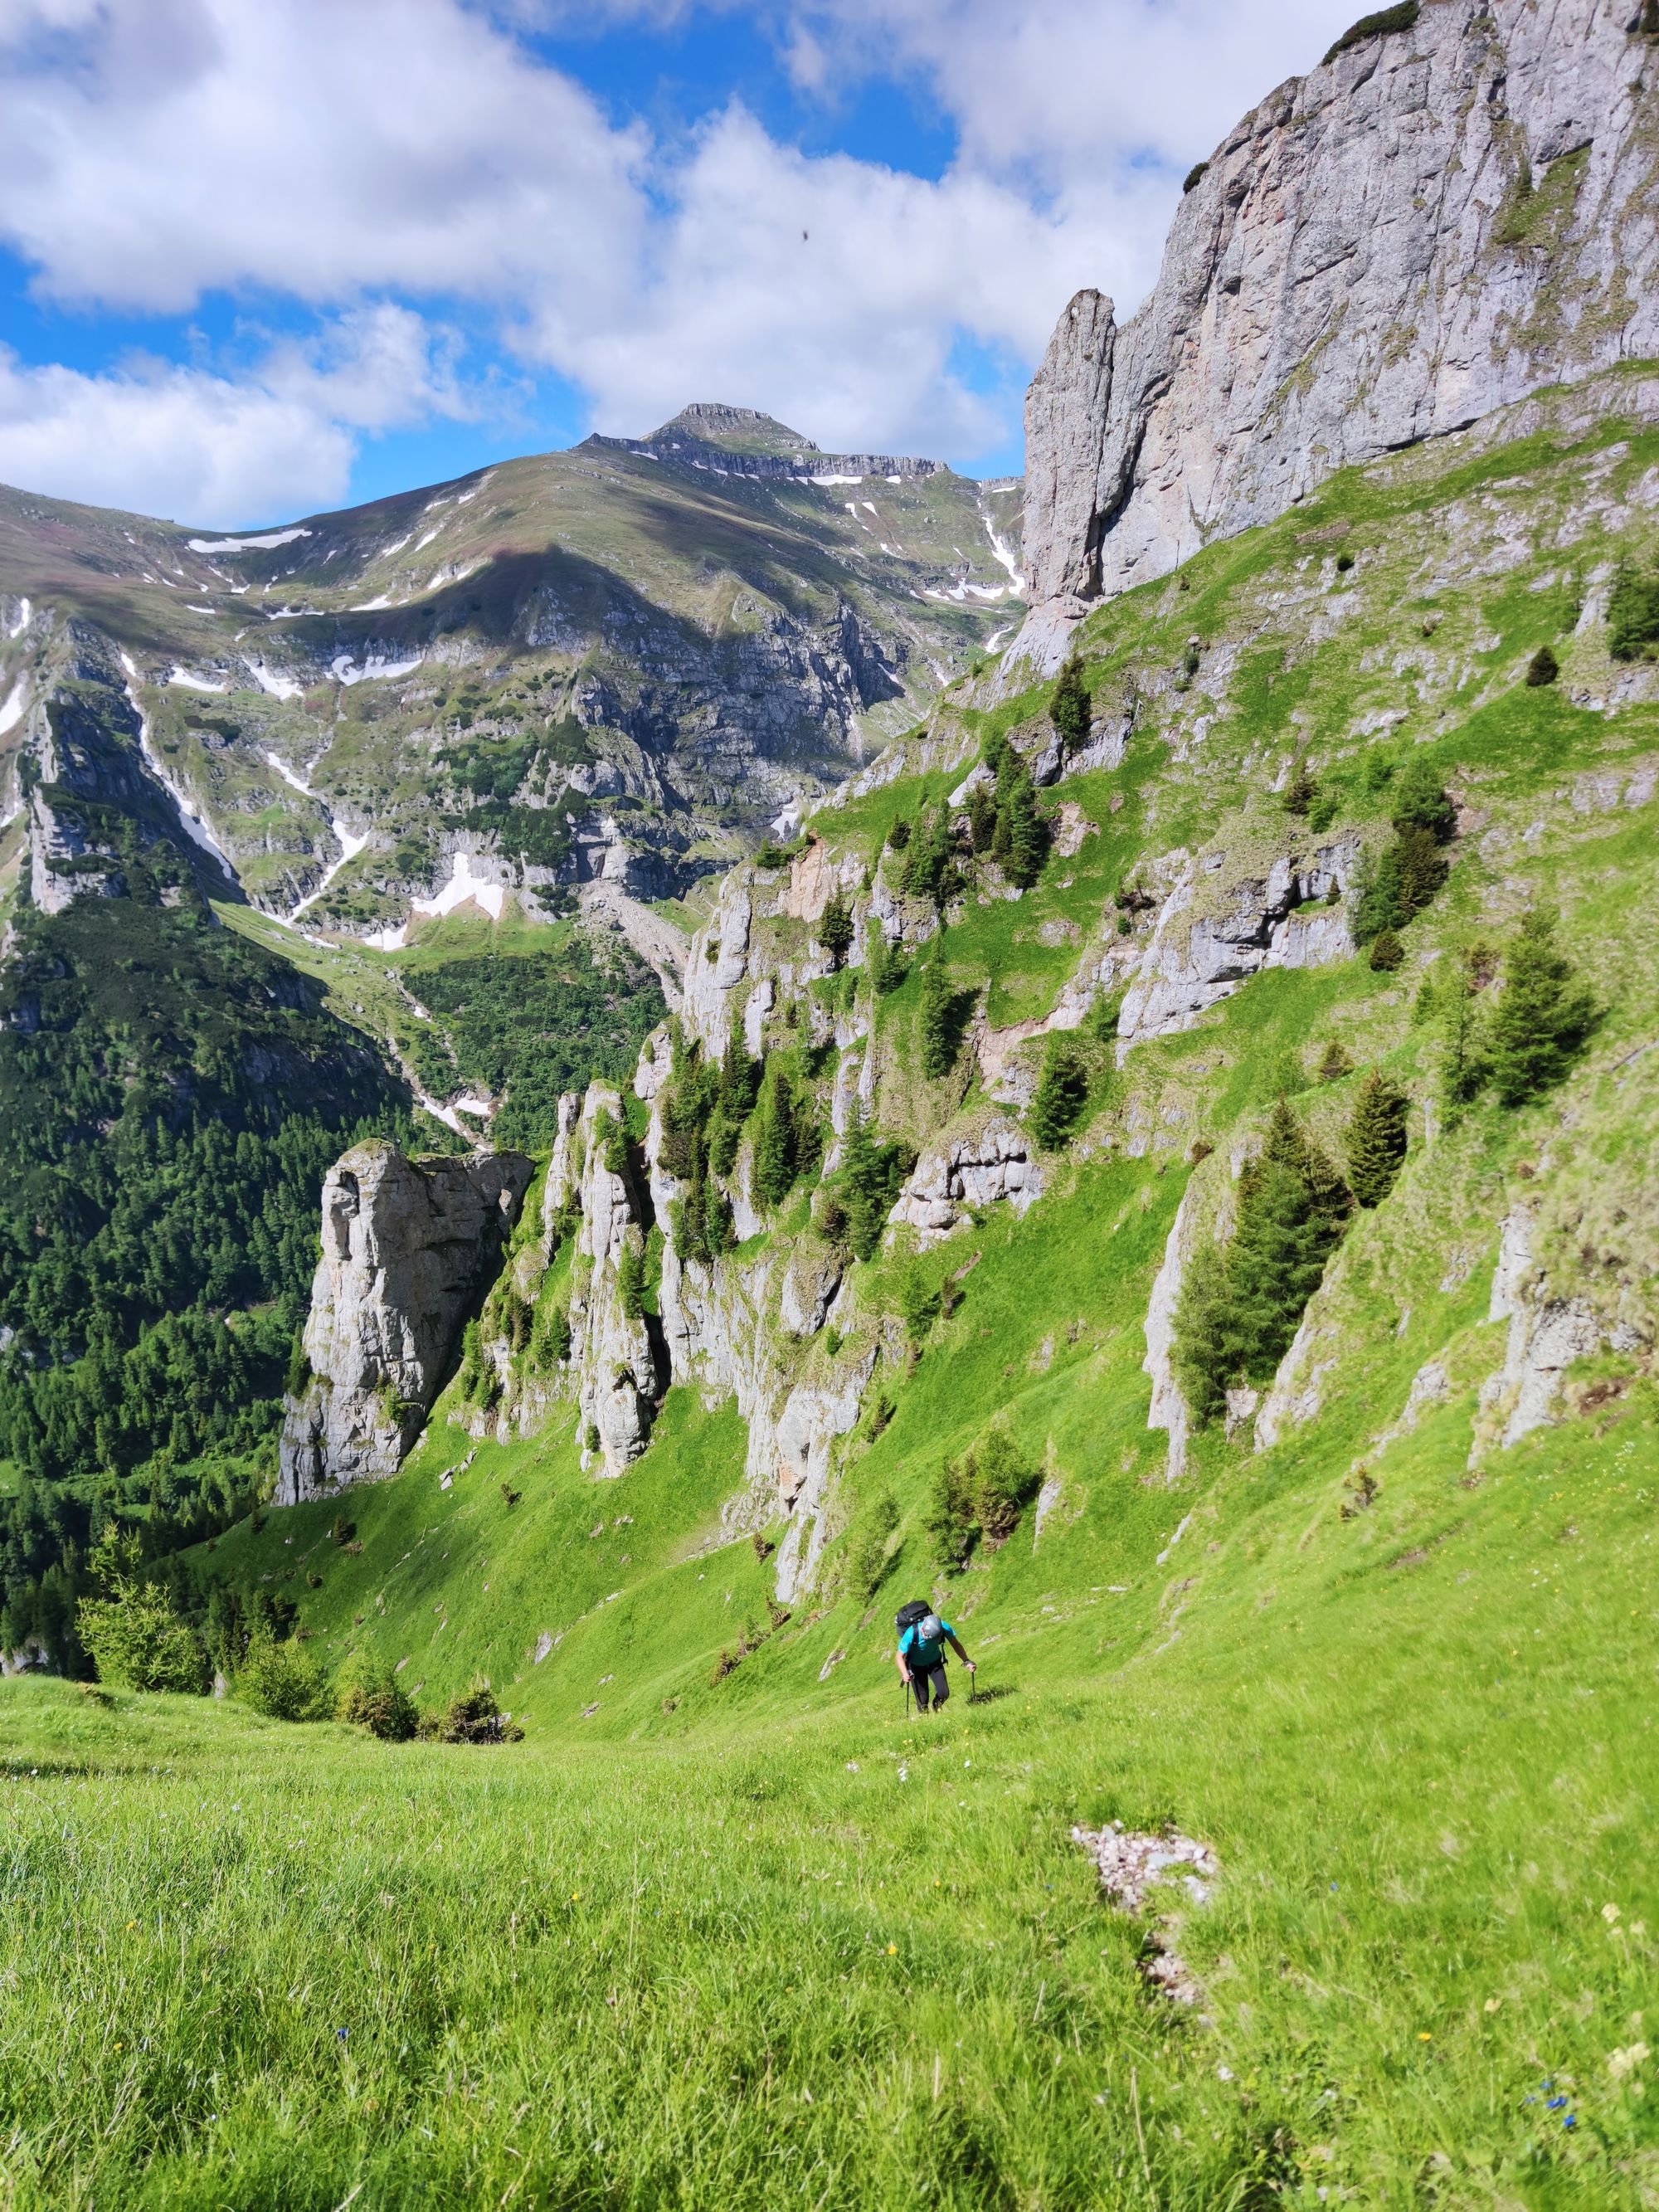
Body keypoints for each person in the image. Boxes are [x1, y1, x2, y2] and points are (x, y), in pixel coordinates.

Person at [895, 1609, 974, 1712]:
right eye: (927, 1636)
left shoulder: (944, 1627)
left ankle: (936, 1707)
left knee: (944, 1693)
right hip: (916, 1667)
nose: (928, 1639)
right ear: (923, 1628)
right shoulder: (912, 1632)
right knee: (923, 1701)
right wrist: (905, 1673)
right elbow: (899, 1656)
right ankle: (925, 1719)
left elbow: (955, 1644)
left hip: (934, 1663)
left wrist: (966, 1661)